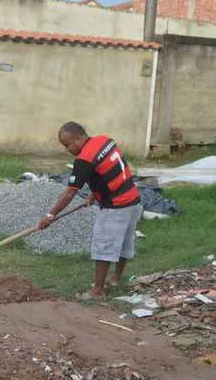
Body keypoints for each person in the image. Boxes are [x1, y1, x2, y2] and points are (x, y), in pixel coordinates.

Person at [38, 122, 143, 300]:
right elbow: (109, 169)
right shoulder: (105, 141)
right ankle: (115, 278)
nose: (67, 149)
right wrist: (96, 193)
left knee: (103, 247)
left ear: (79, 138)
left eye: (67, 144)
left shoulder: (84, 159)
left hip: (116, 207)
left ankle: (97, 291)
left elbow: (70, 192)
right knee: (124, 242)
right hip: (133, 200)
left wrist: (50, 216)